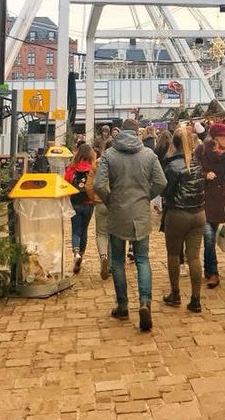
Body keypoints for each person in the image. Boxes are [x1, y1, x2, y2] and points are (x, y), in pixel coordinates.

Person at [94, 119, 166, 331]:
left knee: (117, 260)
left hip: (117, 212)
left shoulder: (109, 155)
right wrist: (147, 196)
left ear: (120, 132)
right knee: (142, 258)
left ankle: (123, 304)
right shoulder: (148, 155)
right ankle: (145, 302)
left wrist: (110, 199)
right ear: (137, 133)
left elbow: (98, 184)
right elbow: (161, 182)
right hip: (140, 213)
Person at [161, 127, 206, 312]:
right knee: (194, 256)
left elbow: (165, 190)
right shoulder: (197, 163)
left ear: (175, 143)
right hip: (198, 213)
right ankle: (196, 299)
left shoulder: (172, 165)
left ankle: (176, 293)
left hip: (178, 213)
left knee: (173, 254)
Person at [194, 122, 225, 289]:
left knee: (210, 238)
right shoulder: (202, 150)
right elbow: (193, 170)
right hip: (203, 199)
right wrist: (205, 175)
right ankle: (214, 273)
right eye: (224, 136)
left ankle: (208, 270)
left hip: (218, 200)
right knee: (209, 237)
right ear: (215, 137)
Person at [64, 142, 98, 274]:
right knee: (84, 230)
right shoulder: (93, 168)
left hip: (75, 203)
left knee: (75, 230)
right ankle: (81, 255)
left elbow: (66, 183)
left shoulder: (71, 168)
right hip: (89, 203)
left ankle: (76, 252)